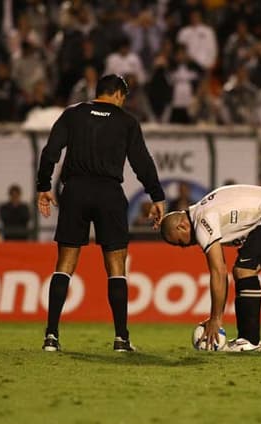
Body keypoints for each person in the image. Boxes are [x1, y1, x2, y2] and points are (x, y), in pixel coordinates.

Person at [36, 74, 165, 353]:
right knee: (116, 267)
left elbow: (51, 152)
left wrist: (44, 186)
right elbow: (142, 162)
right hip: (109, 193)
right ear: (118, 94)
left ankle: (51, 336)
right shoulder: (126, 121)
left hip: (75, 191)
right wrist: (157, 196)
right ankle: (121, 338)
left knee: (65, 263)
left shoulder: (73, 114)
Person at [159, 184, 261, 352]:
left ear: (181, 226)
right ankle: (249, 339)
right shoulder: (203, 210)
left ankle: (250, 341)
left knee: (244, 270)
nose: (184, 246)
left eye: (179, 242)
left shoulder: (202, 220)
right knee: (244, 270)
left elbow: (219, 272)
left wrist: (215, 319)